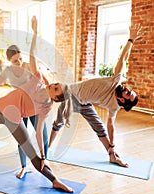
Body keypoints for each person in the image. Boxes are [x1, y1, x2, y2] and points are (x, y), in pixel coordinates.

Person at [0, 16, 74, 193]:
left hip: (13, 118)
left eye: (56, 88)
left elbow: (38, 131)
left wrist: (44, 156)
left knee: (32, 153)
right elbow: (33, 53)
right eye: (56, 84)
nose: (53, 84)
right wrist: (35, 33)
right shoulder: (37, 79)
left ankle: (55, 180)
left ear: (55, 98)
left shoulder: (46, 108)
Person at [48, 24, 143, 167]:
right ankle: (47, 148)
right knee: (58, 123)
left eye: (128, 93)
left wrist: (112, 145)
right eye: (129, 90)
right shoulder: (115, 81)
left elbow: (111, 125)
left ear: (123, 100)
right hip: (71, 97)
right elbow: (123, 60)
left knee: (100, 128)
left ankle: (112, 156)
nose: (127, 88)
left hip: (84, 102)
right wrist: (131, 40)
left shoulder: (114, 107)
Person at [0, 44, 49, 179]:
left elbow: (44, 80)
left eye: (20, 58)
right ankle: (24, 167)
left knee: (43, 133)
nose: (19, 62)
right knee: (22, 139)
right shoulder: (7, 72)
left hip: (34, 106)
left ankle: (46, 160)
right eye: (15, 60)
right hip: (19, 108)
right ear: (9, 60)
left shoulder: (28, 66)